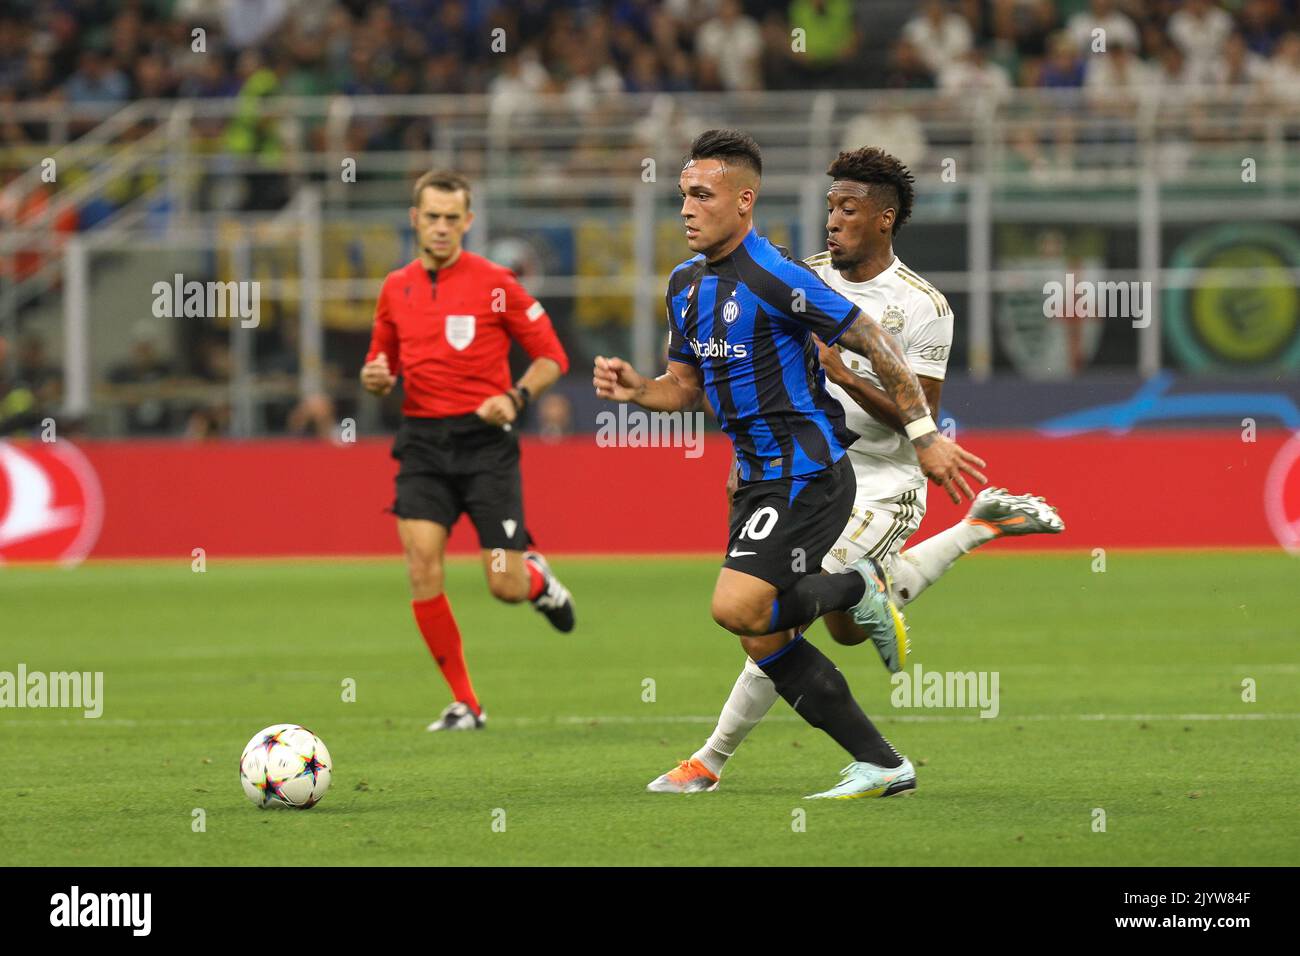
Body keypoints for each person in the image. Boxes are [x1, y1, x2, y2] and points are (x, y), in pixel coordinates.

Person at [647, 147, 1065, 794]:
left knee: (771, 614)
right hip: (798, 468)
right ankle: (973, 531)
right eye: (830, 206)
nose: (833, 220)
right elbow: (746, 375)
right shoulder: (793, 273)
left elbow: (918, 415)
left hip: (885, 480)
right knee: (823, 624)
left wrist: (846, 376)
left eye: (849, 209)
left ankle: (711, 760)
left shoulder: (924, 306)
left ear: (884, 220)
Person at [593, 130, 986, 798]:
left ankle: (856, 590)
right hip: (754, 477)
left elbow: (874, 339)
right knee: (763, 638)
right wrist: (638, 391)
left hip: (810, 473)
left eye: (701, 194)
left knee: (739, 608)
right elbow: (684, 389)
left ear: (743, 202)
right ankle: (883, 763)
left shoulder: (778, 276)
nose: (686, 208)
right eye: (682, 194)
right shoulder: (685, 285)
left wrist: (923, 435)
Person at [360, 170, 574, 733]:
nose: (441, 227)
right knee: (421, 564)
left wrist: (516, 396)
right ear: (415, 218)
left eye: (452, 218)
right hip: (423, 443)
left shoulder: (495, 282)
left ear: (468, 222)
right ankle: (466, 704)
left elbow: (552, 357)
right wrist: (376, 377)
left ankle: (536, 580)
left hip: (485, 446)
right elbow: (380, 368)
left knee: (502, 585)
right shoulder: (395, 287)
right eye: (431, 216)